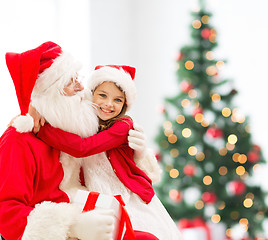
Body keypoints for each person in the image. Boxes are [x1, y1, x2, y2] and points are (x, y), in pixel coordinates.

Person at [0, 42, 157, 240]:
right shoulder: (19, 139)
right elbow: (6, 213)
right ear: (51, 91)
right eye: (71, 81)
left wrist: (139, 155)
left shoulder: (70, 130)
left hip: (88, 212)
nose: (82, 87)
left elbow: (103, 167)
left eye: (79, 78)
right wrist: (72, 227)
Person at [32, 65, 182, 240]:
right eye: (102, 95)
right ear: (91, 94)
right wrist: (36, 108)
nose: (109, 104)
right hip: (98, 194)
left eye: (118, 100)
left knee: (142, 233)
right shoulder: (86, 119)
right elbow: (63, 110)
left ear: (125, 105)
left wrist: (41, 130)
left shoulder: (123, 126)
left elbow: (83, 148)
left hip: (126, 194)